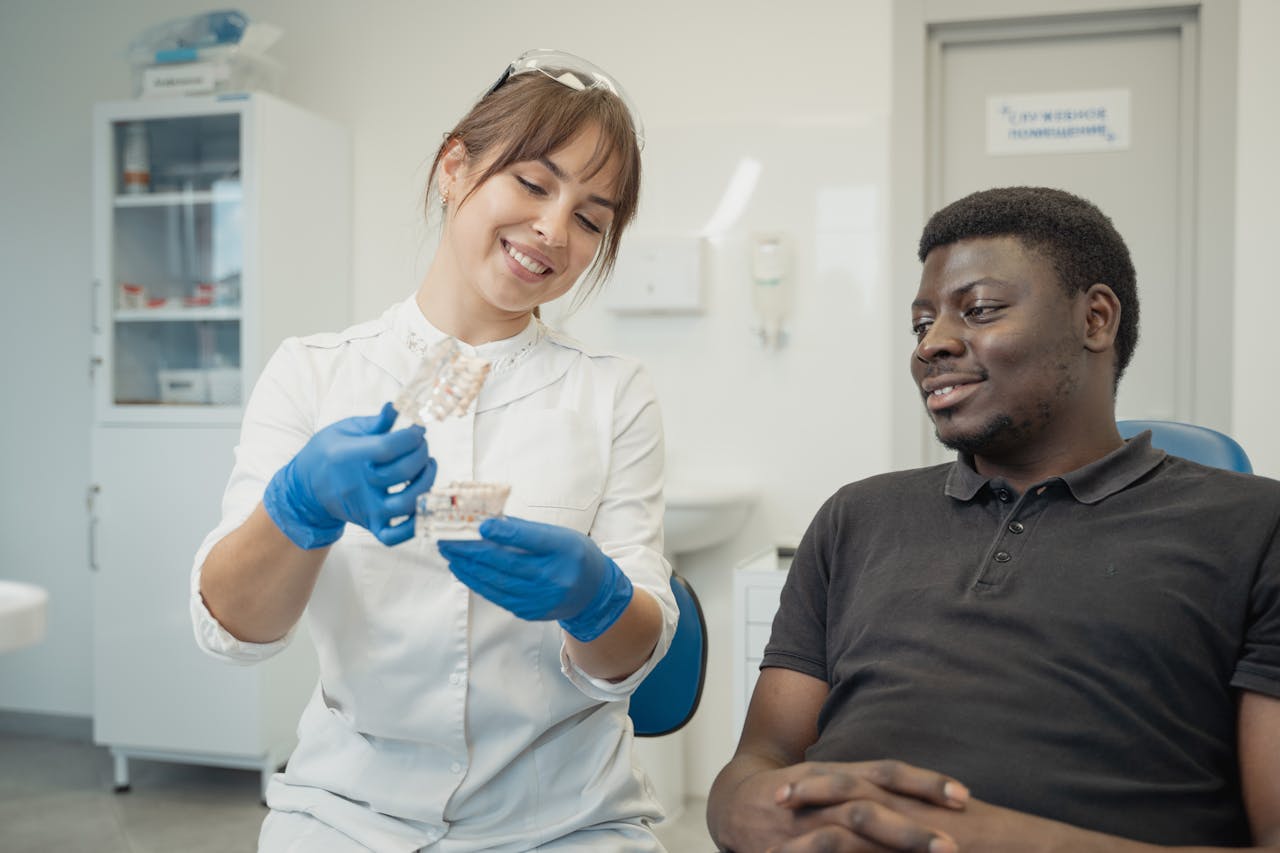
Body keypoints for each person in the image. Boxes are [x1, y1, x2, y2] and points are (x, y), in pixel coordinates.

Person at [191, 49, 678, 853]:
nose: (554, 229)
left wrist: (598, 597)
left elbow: (632, 656)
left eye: (592, 218)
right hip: (345, 813)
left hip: (566, 820)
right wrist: (297, 505)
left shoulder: (615, 392)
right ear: (456, 166)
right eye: (532, 182)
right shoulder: (315, 370)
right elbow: (233, 630)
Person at [707, 186, 1280, 852]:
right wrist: (753, 812)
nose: (933, 345)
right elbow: (758, 760)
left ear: (1095, 319)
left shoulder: (1255, 526)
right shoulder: (855, 517)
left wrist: (980, 836)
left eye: (978, 310)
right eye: (922, 325)